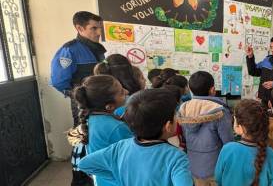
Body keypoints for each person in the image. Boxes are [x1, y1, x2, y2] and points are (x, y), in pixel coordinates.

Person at [78, 89, 193, 186]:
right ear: (168, 126)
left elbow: (84, 164)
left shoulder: (119, 147)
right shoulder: (177, 158)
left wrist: (118, 178)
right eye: (175, 115)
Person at [50, 11, 105, 186]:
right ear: (79, 28)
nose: (98, 33)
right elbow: (58, 81)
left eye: (99, 28)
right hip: (81, 103)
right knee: (80, 138)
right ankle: (80, 178)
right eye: (93, 28)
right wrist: (76, 96)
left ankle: (95, 175)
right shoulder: (69, 50)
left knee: (95, 138)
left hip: (99, 102)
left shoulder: (98, 49)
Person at [73, 75, 133, 186]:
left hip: (102, 180)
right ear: (109, 106)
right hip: (119, 181)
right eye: (121, 92)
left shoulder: (91, 118)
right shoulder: (116, 128)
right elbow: (134, 157)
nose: (126, 91)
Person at [177, 71, 234, 186]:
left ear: (191, 89)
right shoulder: (219, 110)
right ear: (212, 89)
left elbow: (184, 137)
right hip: (215, 168)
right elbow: (229, 143)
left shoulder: (184, 108)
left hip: (193, 166)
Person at [215, 99, 273, 186]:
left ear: (240, 128)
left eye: (234, 119)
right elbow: (272, 182)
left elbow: (218, 178)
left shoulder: (228, 149)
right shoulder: (272, 154)